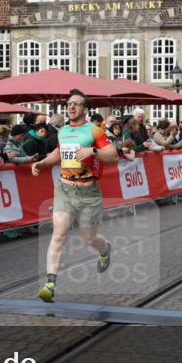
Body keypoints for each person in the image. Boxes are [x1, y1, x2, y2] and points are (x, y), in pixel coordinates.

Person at [31, 89, 118, 303]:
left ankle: (104, 248)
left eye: (76, 104)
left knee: (89, 238)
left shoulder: (95, 131)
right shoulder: (63, 131)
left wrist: (93, 152)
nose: (71, 107)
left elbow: (113, 156)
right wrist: (42, 163)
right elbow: (59, 154)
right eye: (69, 104)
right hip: (65, 189)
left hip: (88, 193)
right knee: (58, 234)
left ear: (85, 109)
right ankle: (50, 284)